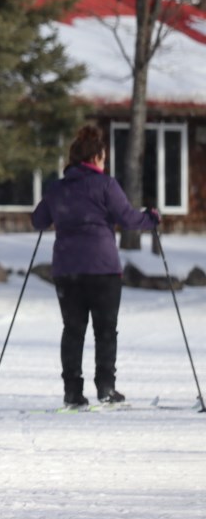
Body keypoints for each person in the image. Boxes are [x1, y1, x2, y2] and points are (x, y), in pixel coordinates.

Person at [31, 123, 159, 407]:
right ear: (96, 158)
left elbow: (38, 220)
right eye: (103, 157)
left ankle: (73, 392)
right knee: (105, 330)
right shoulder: (106, 185)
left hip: (67, 270)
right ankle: (105, 387)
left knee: (73, 330)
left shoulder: (57, 188)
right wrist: (151, 218)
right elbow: (127, 219)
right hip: (103, 269)